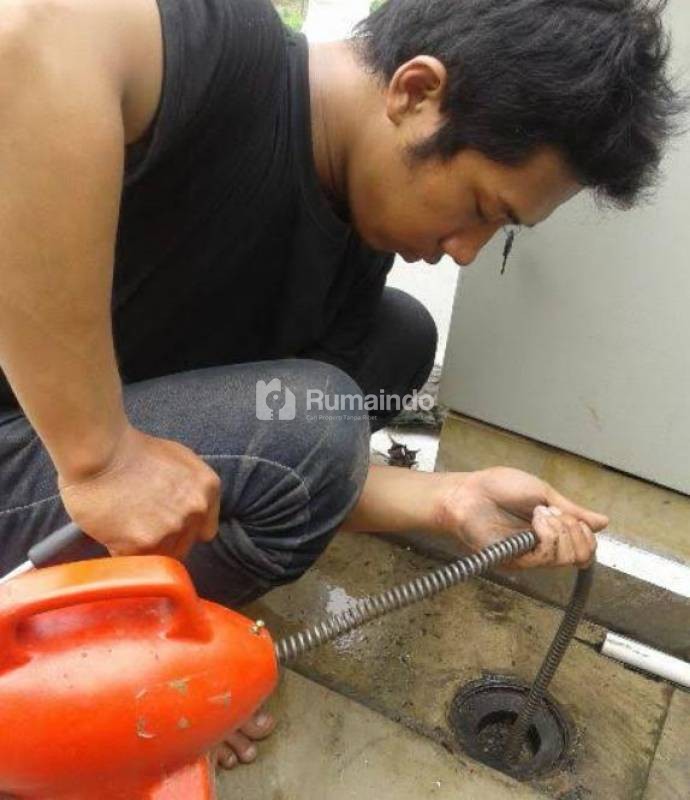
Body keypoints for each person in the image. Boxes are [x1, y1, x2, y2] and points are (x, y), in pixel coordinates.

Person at [0, 0, 682, 772]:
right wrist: (99, 456)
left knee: (397, 344)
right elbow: (34, 30)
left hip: (61, 482)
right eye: (481, 209)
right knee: (322, 426)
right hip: (24, 454)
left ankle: (133, 631)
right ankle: (108, 678)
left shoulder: (354, 247)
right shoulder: (230, 58)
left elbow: (289, 476)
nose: (466, 251)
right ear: (416, 92)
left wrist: (449, 499)